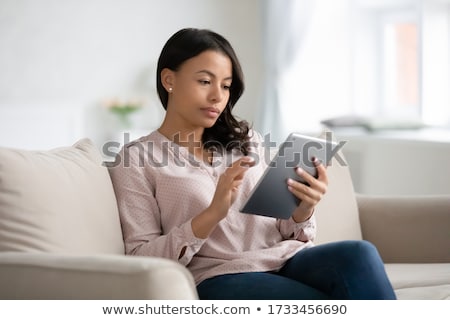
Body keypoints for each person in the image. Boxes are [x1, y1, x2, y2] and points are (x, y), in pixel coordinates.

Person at [109, 28, 396, 300]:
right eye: (205, 81)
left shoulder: (246, 140)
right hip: (218, 277)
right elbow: (141, 259)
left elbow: (284, 228)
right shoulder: (136, 159)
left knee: (360, 253)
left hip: (285, 258)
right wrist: (211, 214)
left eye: (226, 86)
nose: (217, 97)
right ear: (169, 80)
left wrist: (303, 208)